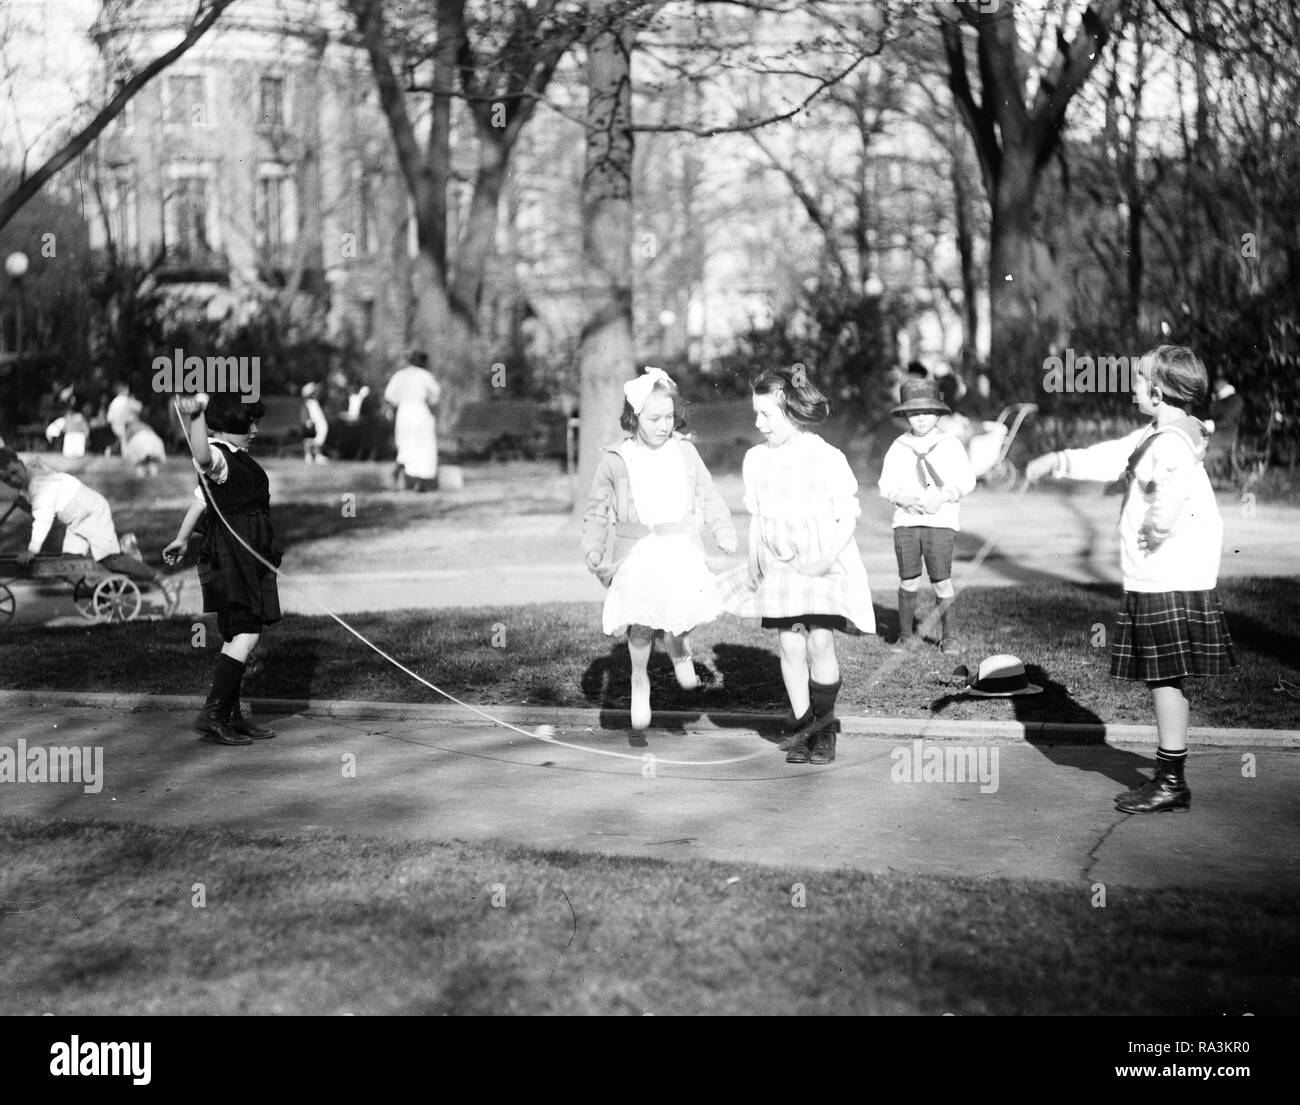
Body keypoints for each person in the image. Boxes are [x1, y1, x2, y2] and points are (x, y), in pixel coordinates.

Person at [1026, 345, 1237, 814]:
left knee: (1164, 677)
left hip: (1168, 575)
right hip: (1160, 574)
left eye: (1139, 378)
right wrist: (1058, 461)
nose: (1132, 385)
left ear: (1159, 391)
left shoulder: (1172, 443)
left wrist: (1153, 531)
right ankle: (1170, 776)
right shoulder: (1156, 434)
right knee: (1165, 679)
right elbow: (1111, 458)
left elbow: (1172, 493)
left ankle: (1170, 781)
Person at [721, 367, 875, 765]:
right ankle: (803, 724)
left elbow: (847, 515)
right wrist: (754, 555)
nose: (759, 424)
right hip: (780, 565)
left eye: (766, 415)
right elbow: (756, 515)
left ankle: (824, 727)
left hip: (819, 563)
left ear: (790, 411)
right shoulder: (756, 459)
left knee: (819, 641)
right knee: (790, 645)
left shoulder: (825, 456)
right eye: (756, 415)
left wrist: (826, 559)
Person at [582, 367, 736, 730]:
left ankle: (680, 649)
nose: (664, 425)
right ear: (634, 417)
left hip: (679, 545)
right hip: (637, 550)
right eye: (654, 418)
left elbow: (708, 495)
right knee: (641, 621)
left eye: (669, 417)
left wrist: (722, 527)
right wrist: (593, 547)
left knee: (681, 614)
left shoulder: (684, 453)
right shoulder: (617, 460)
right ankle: (640, 680)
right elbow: (597, 510)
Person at [164, 394, 282, 747]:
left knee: (240, 632)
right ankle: (213, 714)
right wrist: (197, 417)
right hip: (235, 555)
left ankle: (229, 714)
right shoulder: (217, 457)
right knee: (246, 632)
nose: (255, 430)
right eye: (249, 423)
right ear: (229, 424)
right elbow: (201, 456)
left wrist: (182, 539)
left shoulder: (236, 459)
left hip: (245, 552)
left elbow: (200, 503)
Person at [0, 446, 180, 613]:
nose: (13, 480)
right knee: (68, 566)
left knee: (111, 560)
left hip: (92, 512)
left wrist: (32, 550)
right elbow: (37, 487)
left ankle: (162, 580)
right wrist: (25, 499)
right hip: (76, 520)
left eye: (14, 473)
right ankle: (105, 590)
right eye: (7, 479)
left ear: (20, 463)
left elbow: (43, 519)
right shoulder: (32, 472)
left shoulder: (39, 485)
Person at [878, 377, 976, 655]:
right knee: (908, 579)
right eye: (914, 412)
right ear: (905, 414)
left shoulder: (950, 444)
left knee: (940, 580)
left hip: (940, 522)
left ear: (938, 413)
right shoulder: (899, 446)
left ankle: (950, 637)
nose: (921, 419)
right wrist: (900, 497)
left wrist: (944, 496)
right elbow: (885, 484)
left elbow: (967, 481)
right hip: (907, 523)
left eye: (927, 412)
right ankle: (906, 635)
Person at [383, 350, 441, 491]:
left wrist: (399, 402)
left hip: (404, 411)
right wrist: (428, 401)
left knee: (406, 442)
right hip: (419, 410)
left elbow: (389, 395)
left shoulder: (400, 375)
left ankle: (400, 465)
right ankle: (420, 482)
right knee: (424, 444)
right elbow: (435, 394)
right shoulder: (424, 375)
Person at [1205, 375, 1244, 483]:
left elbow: (1227, 420)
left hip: (1228, 436)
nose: (1215, 388)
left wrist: (1212, 425)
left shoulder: (1235, 400)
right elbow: (1213, 413)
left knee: (1206, 453)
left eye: (1217, 387)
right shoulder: (1221, 400)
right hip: (1219, 435)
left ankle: (1214, 479)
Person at [106, 382, 143, 455]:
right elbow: (139, 408)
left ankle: (111, 451)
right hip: (124, 425)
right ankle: (126, 455)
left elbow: (109, 418)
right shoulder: (127, 400)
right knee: (125, 440)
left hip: (115, 425)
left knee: (122, 440)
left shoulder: (114, 401)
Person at [300, 382, 329, 463]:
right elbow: (304, 414)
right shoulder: (308, 404)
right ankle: (309, 455)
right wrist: (307, 420)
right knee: (309, 439)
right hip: (311, 425)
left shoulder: (315, 403)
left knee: (318, 438)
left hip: (317, 425)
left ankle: (317, 455)